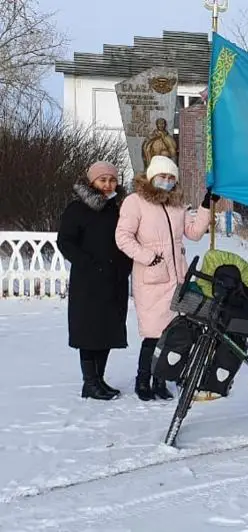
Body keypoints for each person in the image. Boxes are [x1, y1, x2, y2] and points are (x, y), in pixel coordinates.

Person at [115, 155, 216, 401]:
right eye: (163, 176)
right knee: (153, 334)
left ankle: (160, 380)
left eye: (172, 177)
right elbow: (123, 237)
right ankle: (143, 381)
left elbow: (192, 233)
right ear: (151, 176)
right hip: (151, 278)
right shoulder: (135, 202)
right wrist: (148, 257)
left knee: (171, 334)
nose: (167, 181)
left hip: (177, 278)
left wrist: (205, 206)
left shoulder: (177, 205)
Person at [56, 161, 133, 400]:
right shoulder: (77, 209)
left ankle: (99, 379)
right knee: (89, 332)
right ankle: (89, 382)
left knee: (107, 331)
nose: (108, 184)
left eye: (112, 180)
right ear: (92, 182)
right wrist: (88, 263)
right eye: (103, 180)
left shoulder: (120, 208)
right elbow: (65, 241)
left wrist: (125, 266)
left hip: (115, 280)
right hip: (88, 282)